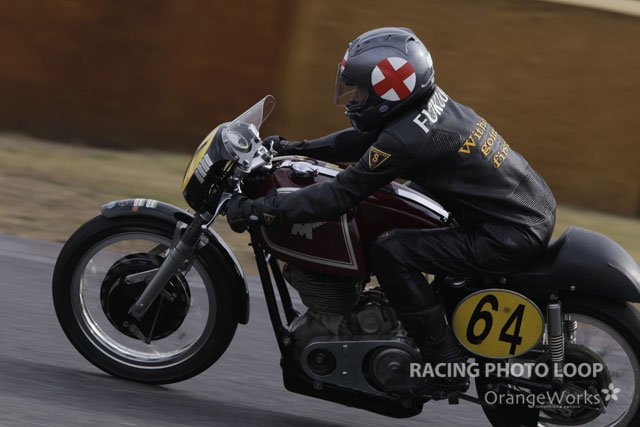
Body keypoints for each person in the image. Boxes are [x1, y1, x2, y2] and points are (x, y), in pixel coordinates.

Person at [226, 27, 556, 396]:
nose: (355, 99)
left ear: (389, 92)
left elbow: (338, 195)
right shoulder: (425, 108)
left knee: (391, 251)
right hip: (523, 206)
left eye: (361, 91)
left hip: (508, 234)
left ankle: (444, 365)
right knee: (395, 207)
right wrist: (292, 147)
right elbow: (364, 142)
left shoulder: (407, 138)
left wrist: (260, 210)